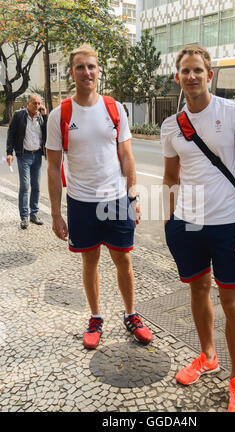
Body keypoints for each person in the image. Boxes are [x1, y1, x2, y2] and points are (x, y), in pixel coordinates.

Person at [161, 45, 235, 412]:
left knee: (233, 302)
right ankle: (207, 357)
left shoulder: (233, 112)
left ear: (209, 75)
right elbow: (171, 176)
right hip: (187, 225)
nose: (191, 76)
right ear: (178, 77)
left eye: (198, 70)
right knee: (198, 290)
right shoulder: (170, 126)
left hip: (230, 226)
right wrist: (170, 221)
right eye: (185, 71)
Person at [46, 44, 153, 350]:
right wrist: (56, 213)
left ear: (99, 70)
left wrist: (133, 197)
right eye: (80, 67)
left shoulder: (114, 108)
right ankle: (95, 317)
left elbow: (127, 156)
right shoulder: (60, 114)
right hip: (80, 202)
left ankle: (131, 314)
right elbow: (53, 166)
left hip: (116, 199)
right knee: (89, 261)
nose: (87, 72)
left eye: (91, 66)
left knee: (124, 259)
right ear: (71, 72)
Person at [6, 94, 47, 229]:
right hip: (23, 155)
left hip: (37, 155)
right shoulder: (19, 115)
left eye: (39, 103)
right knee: (25, 185)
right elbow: (11, 133)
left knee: (36, 185)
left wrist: (45, 116)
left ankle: (34, 214)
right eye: (34, 103)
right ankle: (24, 217)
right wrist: (9, 153)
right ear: (28, 103)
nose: (37, 106)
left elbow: (46, 134)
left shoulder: (41, 117)